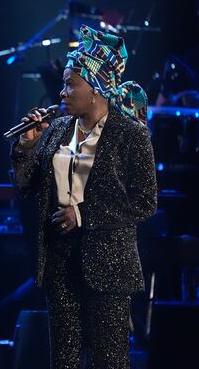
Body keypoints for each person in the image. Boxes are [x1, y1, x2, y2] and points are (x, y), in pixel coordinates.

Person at [11, 25, 157, 368]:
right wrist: (27, 147)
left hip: (109, 265)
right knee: (63, 359)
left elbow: (145, 200)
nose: (61, 92)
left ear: (96, 89)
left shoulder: (130, 135)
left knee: (108, 359)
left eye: (70, 84)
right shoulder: (59, 129)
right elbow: (27, 187)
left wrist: (84, 214)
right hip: (60, 261)